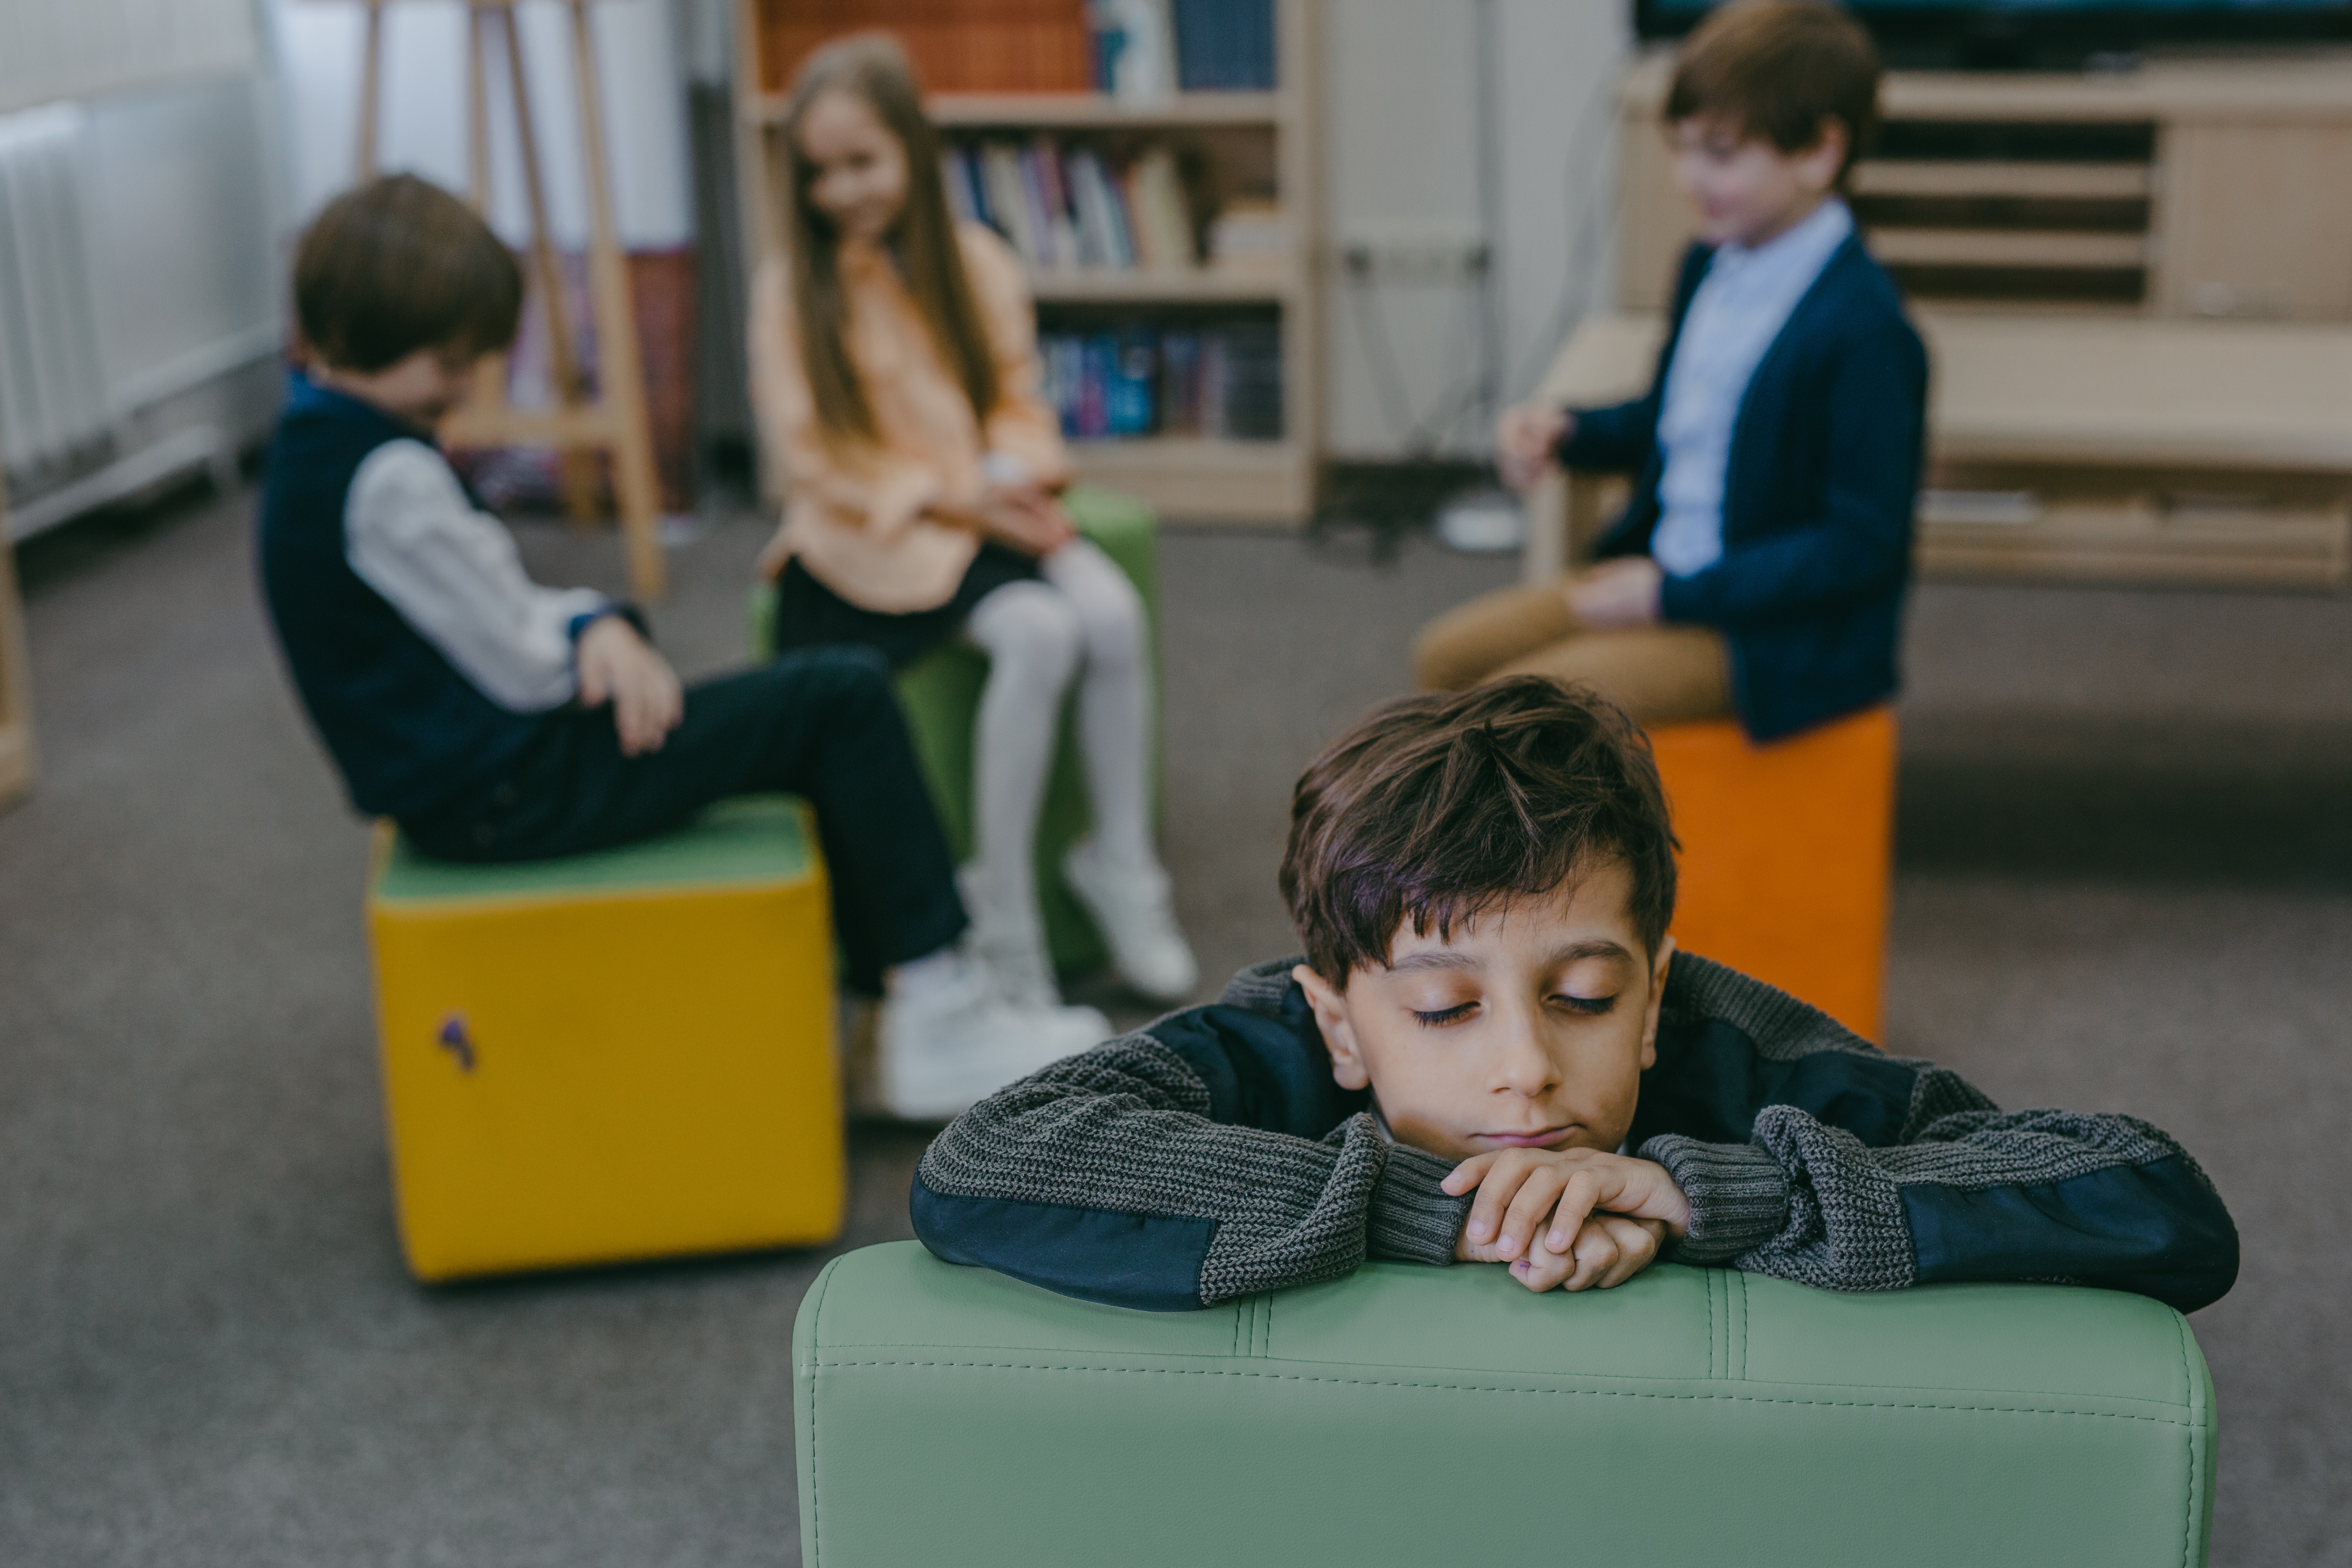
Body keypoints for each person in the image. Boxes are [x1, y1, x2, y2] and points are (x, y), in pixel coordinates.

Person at [911, 677, 2239, 1312]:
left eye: (1587, 996)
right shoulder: (1278, 1044)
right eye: (1443, 1012)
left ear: (1654, 996)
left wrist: (1701, 1191)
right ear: (1340, 1021)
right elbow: (978, 1164)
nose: (1526, 1071)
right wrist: (1425, 1211)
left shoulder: (1738, 1051)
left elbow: (2158, 1205)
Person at [256, 173, 1107, 1121]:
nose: (462, 388)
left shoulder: (311, 445)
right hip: (514, 787)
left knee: (813, 711)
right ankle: (935, 1007)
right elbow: (527, 664)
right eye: (450, 363)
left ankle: (898, 1011)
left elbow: (481, 607)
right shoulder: (389, 477)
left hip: (467, 781)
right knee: (841, 698)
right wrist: (595, 628)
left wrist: (592, 621)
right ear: (379, 332)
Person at [746, 33, 1197, 1010]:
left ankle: (1119, 868)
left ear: (912, 147)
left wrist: (1013, 480)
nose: (842, 191)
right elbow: (817, 456)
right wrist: (967, 502)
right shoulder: (793, 289)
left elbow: (1018, 402)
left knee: (1112, 618)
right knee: (1040, 632)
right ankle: (1005, 918)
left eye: (863, 162)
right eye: (820, 173)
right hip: (872, 535)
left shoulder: (979, 263)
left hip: (986, 510)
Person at [1415, 0, 1928, 744]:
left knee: (1515, 716)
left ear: (1820, 152)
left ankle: (1537, 860)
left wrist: (1670, 597)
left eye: (1719, 154)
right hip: (1663, 575)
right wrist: (1567, 430)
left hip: (1765, 636)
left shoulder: (1867, 331)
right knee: (1444, 660)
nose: (1689, 177)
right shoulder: (1710, 264)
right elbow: (1675, 419)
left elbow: (1859, 546)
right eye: (1683, 148)